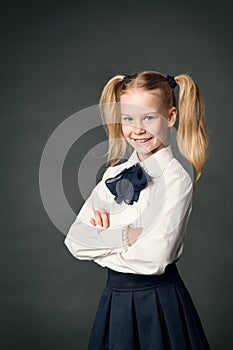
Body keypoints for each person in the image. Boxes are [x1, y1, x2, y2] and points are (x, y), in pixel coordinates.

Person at [64, 70, 211, 349]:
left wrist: (101, 242)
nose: (137, 128)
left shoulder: (177, 179)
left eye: (148, 118)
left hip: (157, 303)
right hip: (114, 301)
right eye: (129, 118)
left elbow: (154, 259)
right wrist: (125, 237)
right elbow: (74, 241)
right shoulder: (113, 175)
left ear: (170, 117)